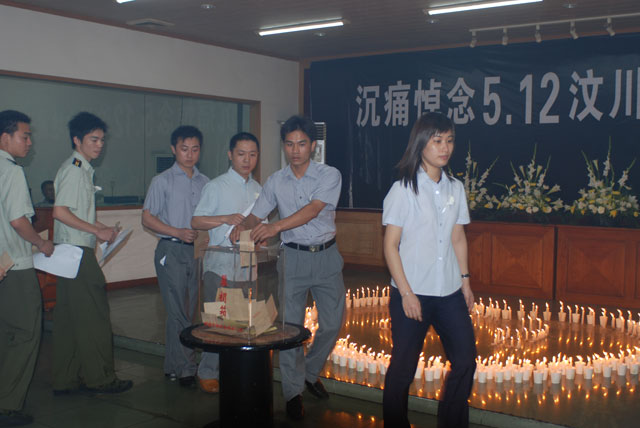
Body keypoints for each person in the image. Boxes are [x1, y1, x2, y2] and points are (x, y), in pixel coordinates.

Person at [231, 115, 345, 420]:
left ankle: (310, 372)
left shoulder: (329, 175)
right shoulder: (275, 181)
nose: (295, 150)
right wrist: (242, 226)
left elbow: (313, 210)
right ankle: (293, 392)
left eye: (302, 144)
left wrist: (275, 226)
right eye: (290, 144)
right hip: (292, 258)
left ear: (313, 146)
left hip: (326, 256)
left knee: (333, 323)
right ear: (284, 146)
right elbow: (257, 214)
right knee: (290, 328)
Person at [381, 112, 476, 428]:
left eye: (449, 140)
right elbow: (390, 246)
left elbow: (458, 237)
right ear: (421, 144)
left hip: (449, 292)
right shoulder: (403, 189)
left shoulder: (455, 188)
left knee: (465, 360)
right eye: (437, 141)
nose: (445, 148)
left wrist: (465, 281)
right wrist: (406, 293)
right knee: (403, 368)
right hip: (412, 292)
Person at [52, 112, 132, 395]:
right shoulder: (75, 169)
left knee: (69, 318)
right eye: (93, 139)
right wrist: (96, 232)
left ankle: (65, 379)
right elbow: (60, 212)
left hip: (68, 252)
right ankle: (101, 378)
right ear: (77, 140)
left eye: (102, 140)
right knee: (95, 315)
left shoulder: (79, 168)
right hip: (77, 253)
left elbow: (78, 213)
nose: (99, 145)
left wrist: (101, 228)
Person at [191, 131, 262, 393]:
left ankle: (234, 369)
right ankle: (207, 371)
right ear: (230, 155)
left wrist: (261, 238)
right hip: (220, 265)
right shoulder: (216, 186)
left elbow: (261, 224)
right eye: (241, 154)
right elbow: (196, 221)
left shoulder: (258, 189)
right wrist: (225, 218)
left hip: (248, 265)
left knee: (242, 323)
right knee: (218, 321)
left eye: (252, 154)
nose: (247, 160)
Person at [142, 125, 209, 387]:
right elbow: (147, 218)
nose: (190, 154)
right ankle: (186, 369)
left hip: (196, 251)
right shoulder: (162, 181)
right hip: (171, 250)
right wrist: (177, 232)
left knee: (186, 311)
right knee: (179, 311)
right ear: (173, 149)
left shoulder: (205, 182)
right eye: (184, 149)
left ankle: (172, 365)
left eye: (195, 149)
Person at [0, 110, 54, 427]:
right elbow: (18, 221)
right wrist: (41, 243)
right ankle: (7, 404)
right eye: (25, 136)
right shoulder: (11, 171)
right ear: (5, 137)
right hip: (15, 267)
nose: (30, 142)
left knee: (5, 333)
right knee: (25, 334)